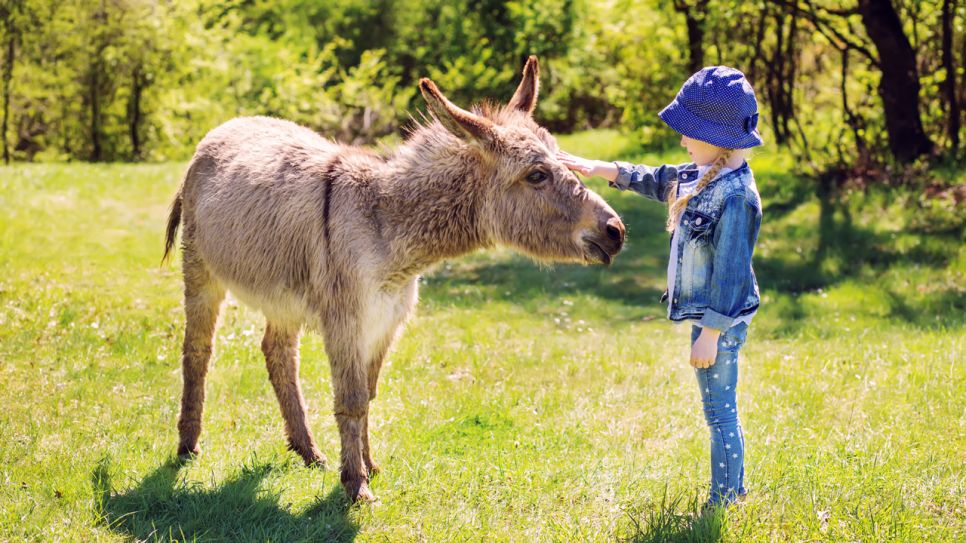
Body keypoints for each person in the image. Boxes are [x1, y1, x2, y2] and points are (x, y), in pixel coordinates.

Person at [558, 66, 763, 509]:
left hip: (720, 324)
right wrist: (603, 169)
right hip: (712, 321)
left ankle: (727, 500)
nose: (683, 140)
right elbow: (658, 178)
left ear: (718, 135)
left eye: (690, 132)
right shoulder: (703, 173)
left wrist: (710, 334)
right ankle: (734, 490)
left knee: (720, 414)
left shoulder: (736, 197)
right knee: (718, 411)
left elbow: (731, 274)